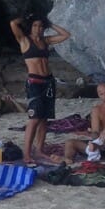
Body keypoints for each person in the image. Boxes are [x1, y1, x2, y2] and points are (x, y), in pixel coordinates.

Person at [10, 15, 72, 164]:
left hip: (48, 82)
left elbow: (66, 35)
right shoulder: (24, 40)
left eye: (40, 26)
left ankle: (39, 150)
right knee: (34, 119)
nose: (38, 29)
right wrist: (29, 16)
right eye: (35, 26)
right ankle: (27, 153)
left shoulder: (46, 41)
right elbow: (13, 23)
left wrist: (50, 23)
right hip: (35, 83)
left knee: (44, 119)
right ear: (30, 27)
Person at [63, 83, 105, 163]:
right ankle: (67, 159)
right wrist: (94, 138)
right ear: (99, 96)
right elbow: (95, 131)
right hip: (100, 145)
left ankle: (97, 147)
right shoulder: (97, 110)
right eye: (101, 94)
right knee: (70, 143)